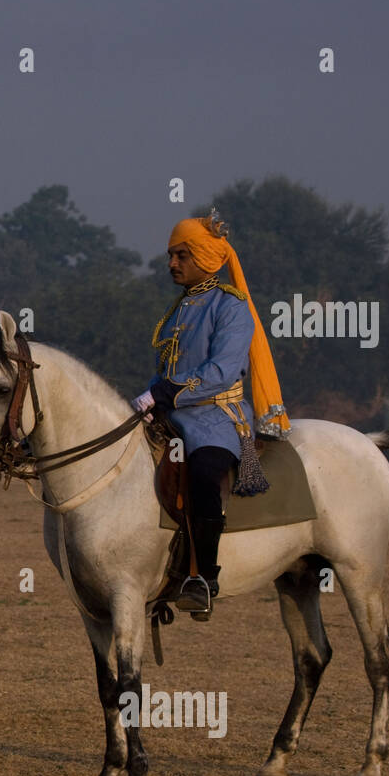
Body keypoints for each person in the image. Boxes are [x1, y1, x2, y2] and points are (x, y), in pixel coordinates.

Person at [133, 211, 290, 616]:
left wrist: (171, 391)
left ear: (205, 258)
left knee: (203, 474)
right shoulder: (178, 310)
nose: (171, 264)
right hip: (171, 413)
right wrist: (150, 395)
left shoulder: (231, 306)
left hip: (216, 416)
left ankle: (203, 578)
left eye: (181, 255)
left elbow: (221, 372)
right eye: (170, 255)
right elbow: (165, 369)